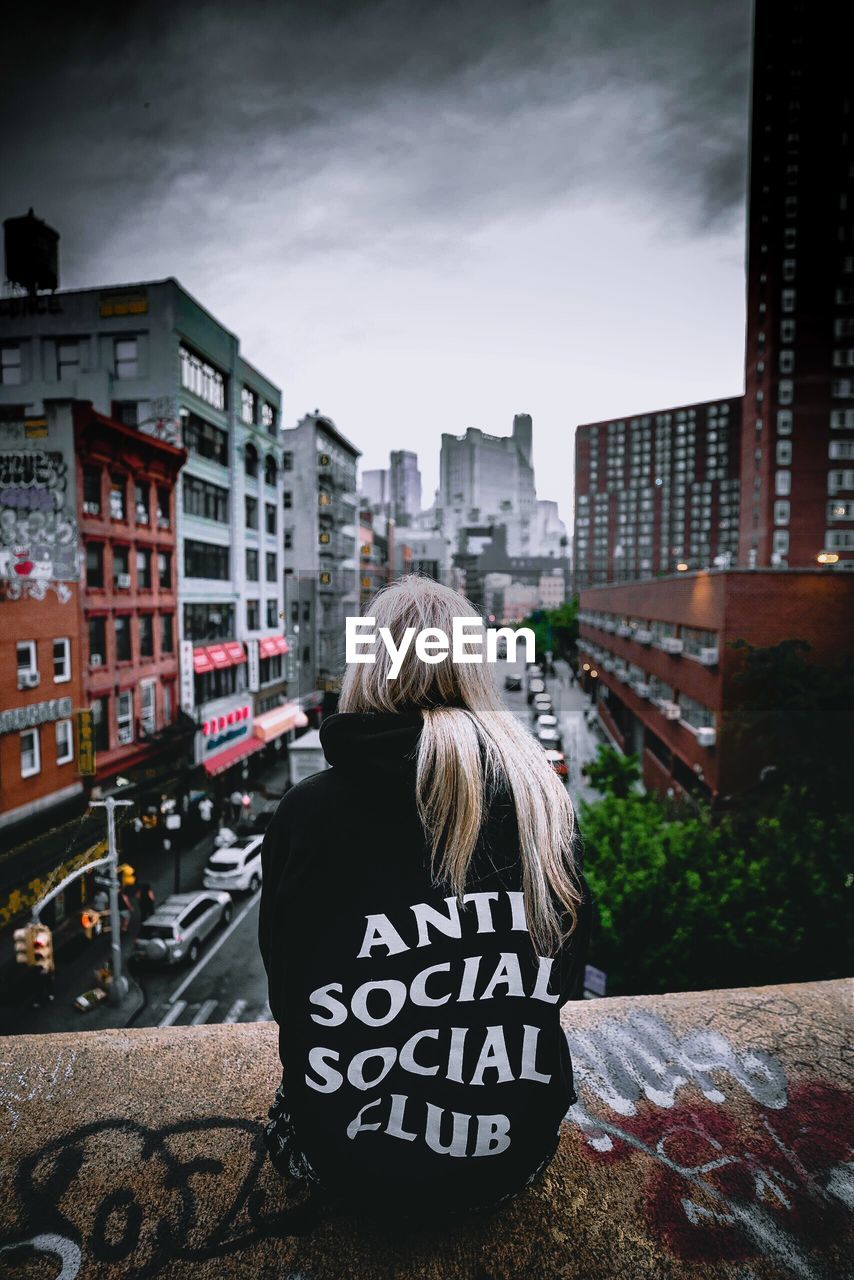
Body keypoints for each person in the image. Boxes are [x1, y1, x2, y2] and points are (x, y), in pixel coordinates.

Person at [259, 576, 592, 1231]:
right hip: (513, 1156)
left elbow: (288, 997)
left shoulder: (310, 813)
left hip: (352, 1166)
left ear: (371, 668)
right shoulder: (540, 802)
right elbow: (570, 974)